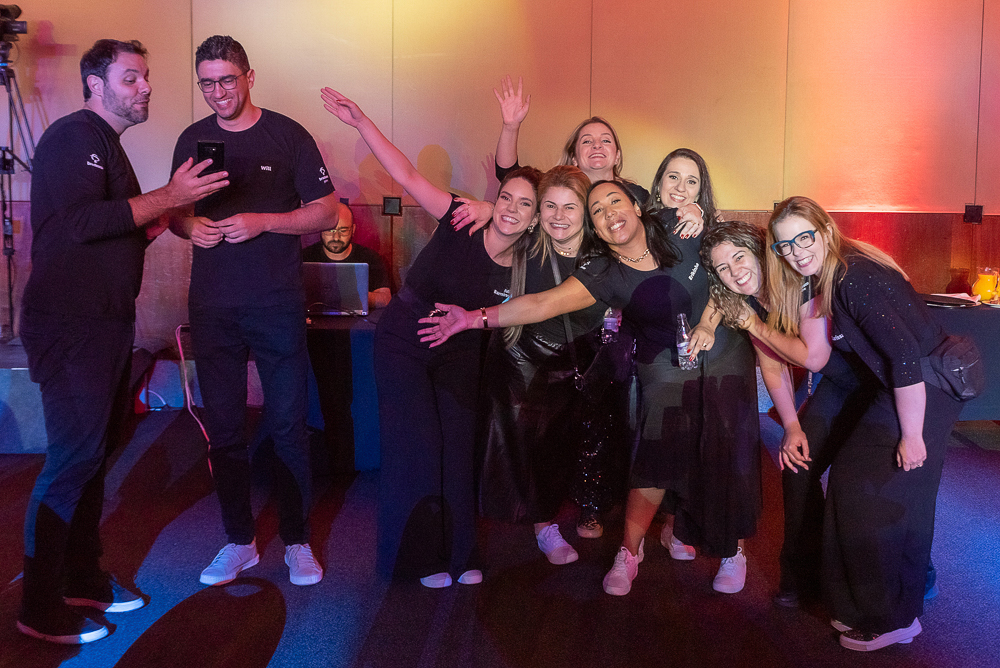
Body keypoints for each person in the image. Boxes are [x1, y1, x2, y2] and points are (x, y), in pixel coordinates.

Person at [18, 39, 227, 644]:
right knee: (72, 459)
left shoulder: (107, 145)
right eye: (130, 78)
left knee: (95, 453)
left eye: (145, 77)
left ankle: (80, 575)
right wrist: (170, 197)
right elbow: (81, 223)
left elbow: (118, 230)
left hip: (105, 324)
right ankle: (38, 605)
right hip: (70, 325)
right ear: (95, 84)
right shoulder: (73, 136)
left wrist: (177, 216)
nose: (145, 87)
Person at [419, 181, 723, 597]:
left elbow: (722, 261)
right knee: (529, 451)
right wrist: (473, 316)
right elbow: (542, 302)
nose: (608, 213)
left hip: (675, 353)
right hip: (549, 359)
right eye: (597, 209)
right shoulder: (597, 267)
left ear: (635, 207)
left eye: (613, 203)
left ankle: (714, 541)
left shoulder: (665, 229)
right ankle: (599, 541)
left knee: (709, 448)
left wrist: (698, 213)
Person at [321, 87, 540, 588]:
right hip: (405, 341)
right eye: (506, 197)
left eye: (524, 204)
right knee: (416, 450)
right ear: (495, 199)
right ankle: (417, 559)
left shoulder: (527, 264)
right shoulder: (462, 215)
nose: (510, 209)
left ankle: (462, 553)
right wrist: (362, 121)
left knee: (458, 451)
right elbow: (406, 175)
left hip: (461, 351)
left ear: (534, 219)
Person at [168, 35, 347, 588]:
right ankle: (239, 541)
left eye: (227, 79)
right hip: (213, 307)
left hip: (276, 305)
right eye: (207, 83)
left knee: (289, 425)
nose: (218, 92)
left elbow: (327, 212)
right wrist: (189, 226)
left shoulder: (288, 135)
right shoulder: (192, 138)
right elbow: (174, 211)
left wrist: (264, 221)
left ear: (249, 77)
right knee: (224, 428)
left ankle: (297, 540)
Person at [766, 196, 962, 651]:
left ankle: (886, 619)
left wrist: (911, 434)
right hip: (918, 385)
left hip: (923, 386)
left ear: (824, 231)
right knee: (895, 494)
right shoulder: (837, 273)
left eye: (803, 238)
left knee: (862, 490)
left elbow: (904, 355)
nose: (795, 252)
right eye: (784, 245)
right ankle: (897, 609)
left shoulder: (851, 277)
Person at [478, 164, 615, 565]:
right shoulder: (528, 244)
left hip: (573, 363)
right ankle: (539, 527)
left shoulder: (602, 255)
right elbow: (506, 194)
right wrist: (482, 209)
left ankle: (549, 519)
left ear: (586, 211)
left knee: (558, 449)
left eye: (570, 207)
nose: (558, 216)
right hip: (519, 358)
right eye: (550, 206)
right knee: (516, 447)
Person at [302, 207, 392, 308]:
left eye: (343, 231)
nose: (336, 237)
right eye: (330, 230)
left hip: (356, 317)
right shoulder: (305, 257)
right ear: (320, 229)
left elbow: (386, 299)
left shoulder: (370, 258)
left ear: (353, 229)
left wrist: (354, 296)